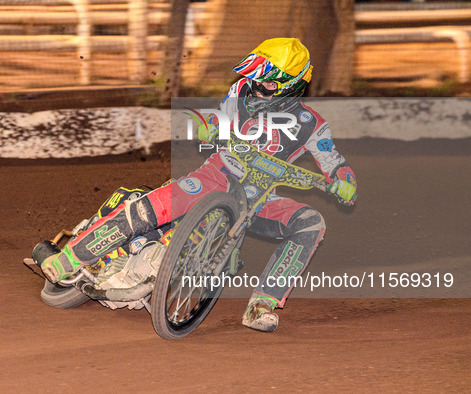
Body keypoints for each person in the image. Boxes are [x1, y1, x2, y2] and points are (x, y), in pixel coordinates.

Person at [38, 38, 357, 332]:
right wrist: (208, 125)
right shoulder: (243, 91)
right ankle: (69, 260)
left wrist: (344, 181)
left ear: (291, 87)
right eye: (257, 79)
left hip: (260, 199)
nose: (258, 87)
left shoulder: (312, 124)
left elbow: (334, 163)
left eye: (268, 82)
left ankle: (262, 305)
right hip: (216, 175)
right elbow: (221, 117)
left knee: (312, 223)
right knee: (151, 206)